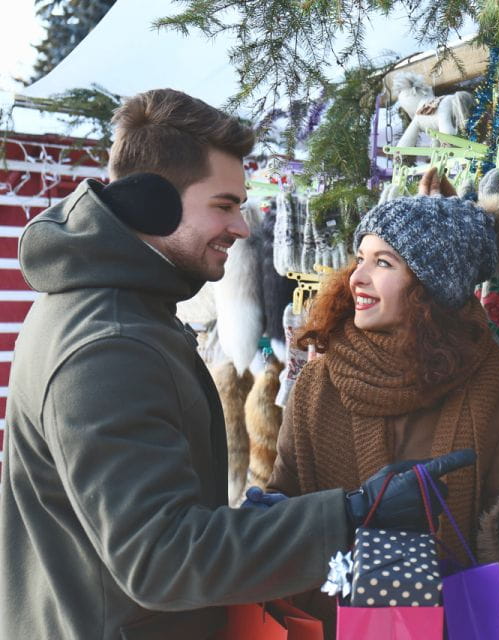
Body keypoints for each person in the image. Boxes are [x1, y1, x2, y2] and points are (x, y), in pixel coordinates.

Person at [0, 89, 473, 639]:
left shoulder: (119, 310)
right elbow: (161, 560)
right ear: (151, 202)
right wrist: (349, 515)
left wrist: (257, 522)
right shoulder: (110, 346)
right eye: (224, 205)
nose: (243, 228)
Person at [264, 167, 499, 626]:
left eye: (383, 263)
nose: (356, 277)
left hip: (449, 626)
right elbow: (284, 499)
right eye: (360, 258)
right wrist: (265, 514)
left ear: (432, 285)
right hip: (328, 626)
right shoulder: (317, 385)